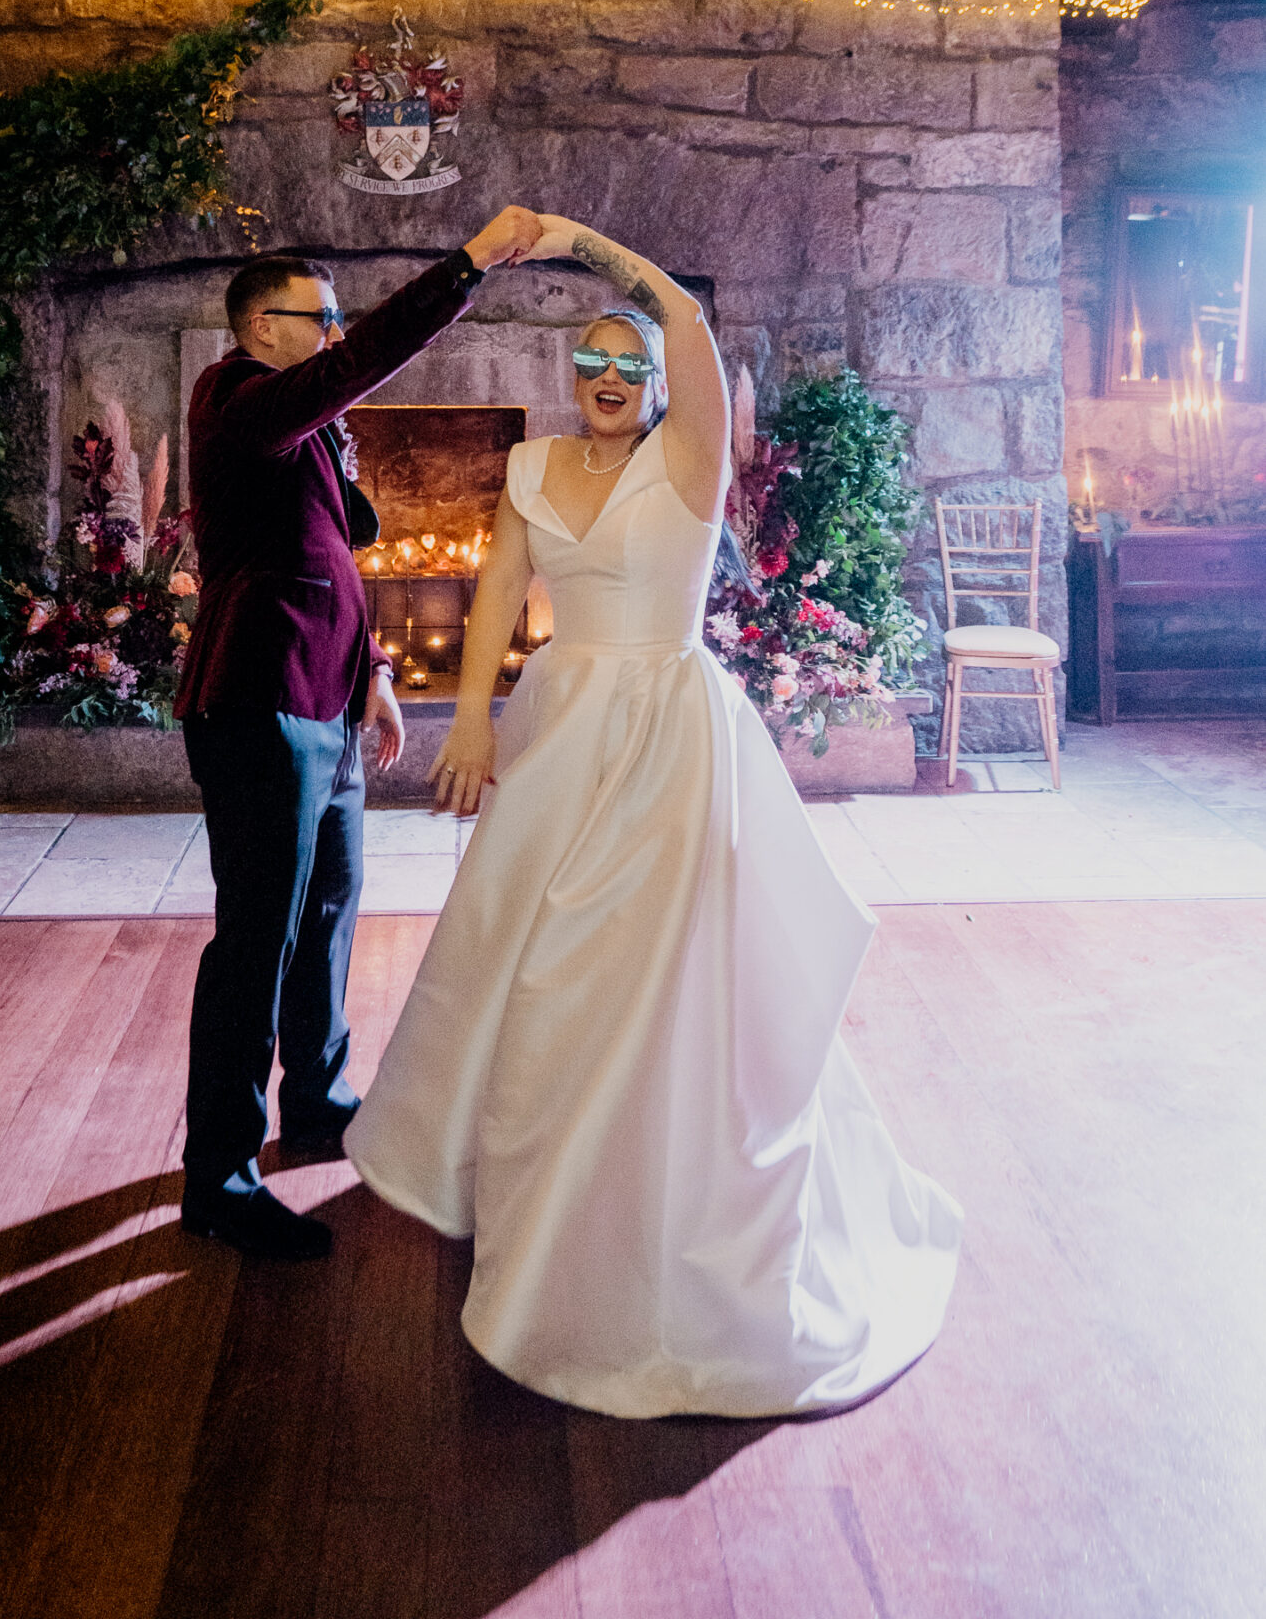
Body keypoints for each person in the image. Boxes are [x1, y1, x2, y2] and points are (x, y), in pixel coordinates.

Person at [346, 214, 962, 1416]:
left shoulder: (690, 466)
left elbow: (681, 317)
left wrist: (582, 243)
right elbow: (496, 601)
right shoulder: (530, 470)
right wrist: (465, 721)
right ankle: (528, 1183)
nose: (614, 379)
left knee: (647, 964)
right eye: (592, 363)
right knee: (527, 959)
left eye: (630, 363)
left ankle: (654, 1199)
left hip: (672, 732)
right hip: (561, 721)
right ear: (568, 378)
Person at [177, 209, 545, 1263]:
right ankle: (221, 1177)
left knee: (330, 907)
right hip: (257, 703)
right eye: (320, 315)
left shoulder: (301, 423)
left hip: (326, 698)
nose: (337, 330)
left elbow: (325, 560)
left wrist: (376, 674)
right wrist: (466, 264)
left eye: (340, 314)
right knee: (256, 937)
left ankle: (321, 1097)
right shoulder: (235, 399)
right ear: (260, 329)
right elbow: (368, 362)